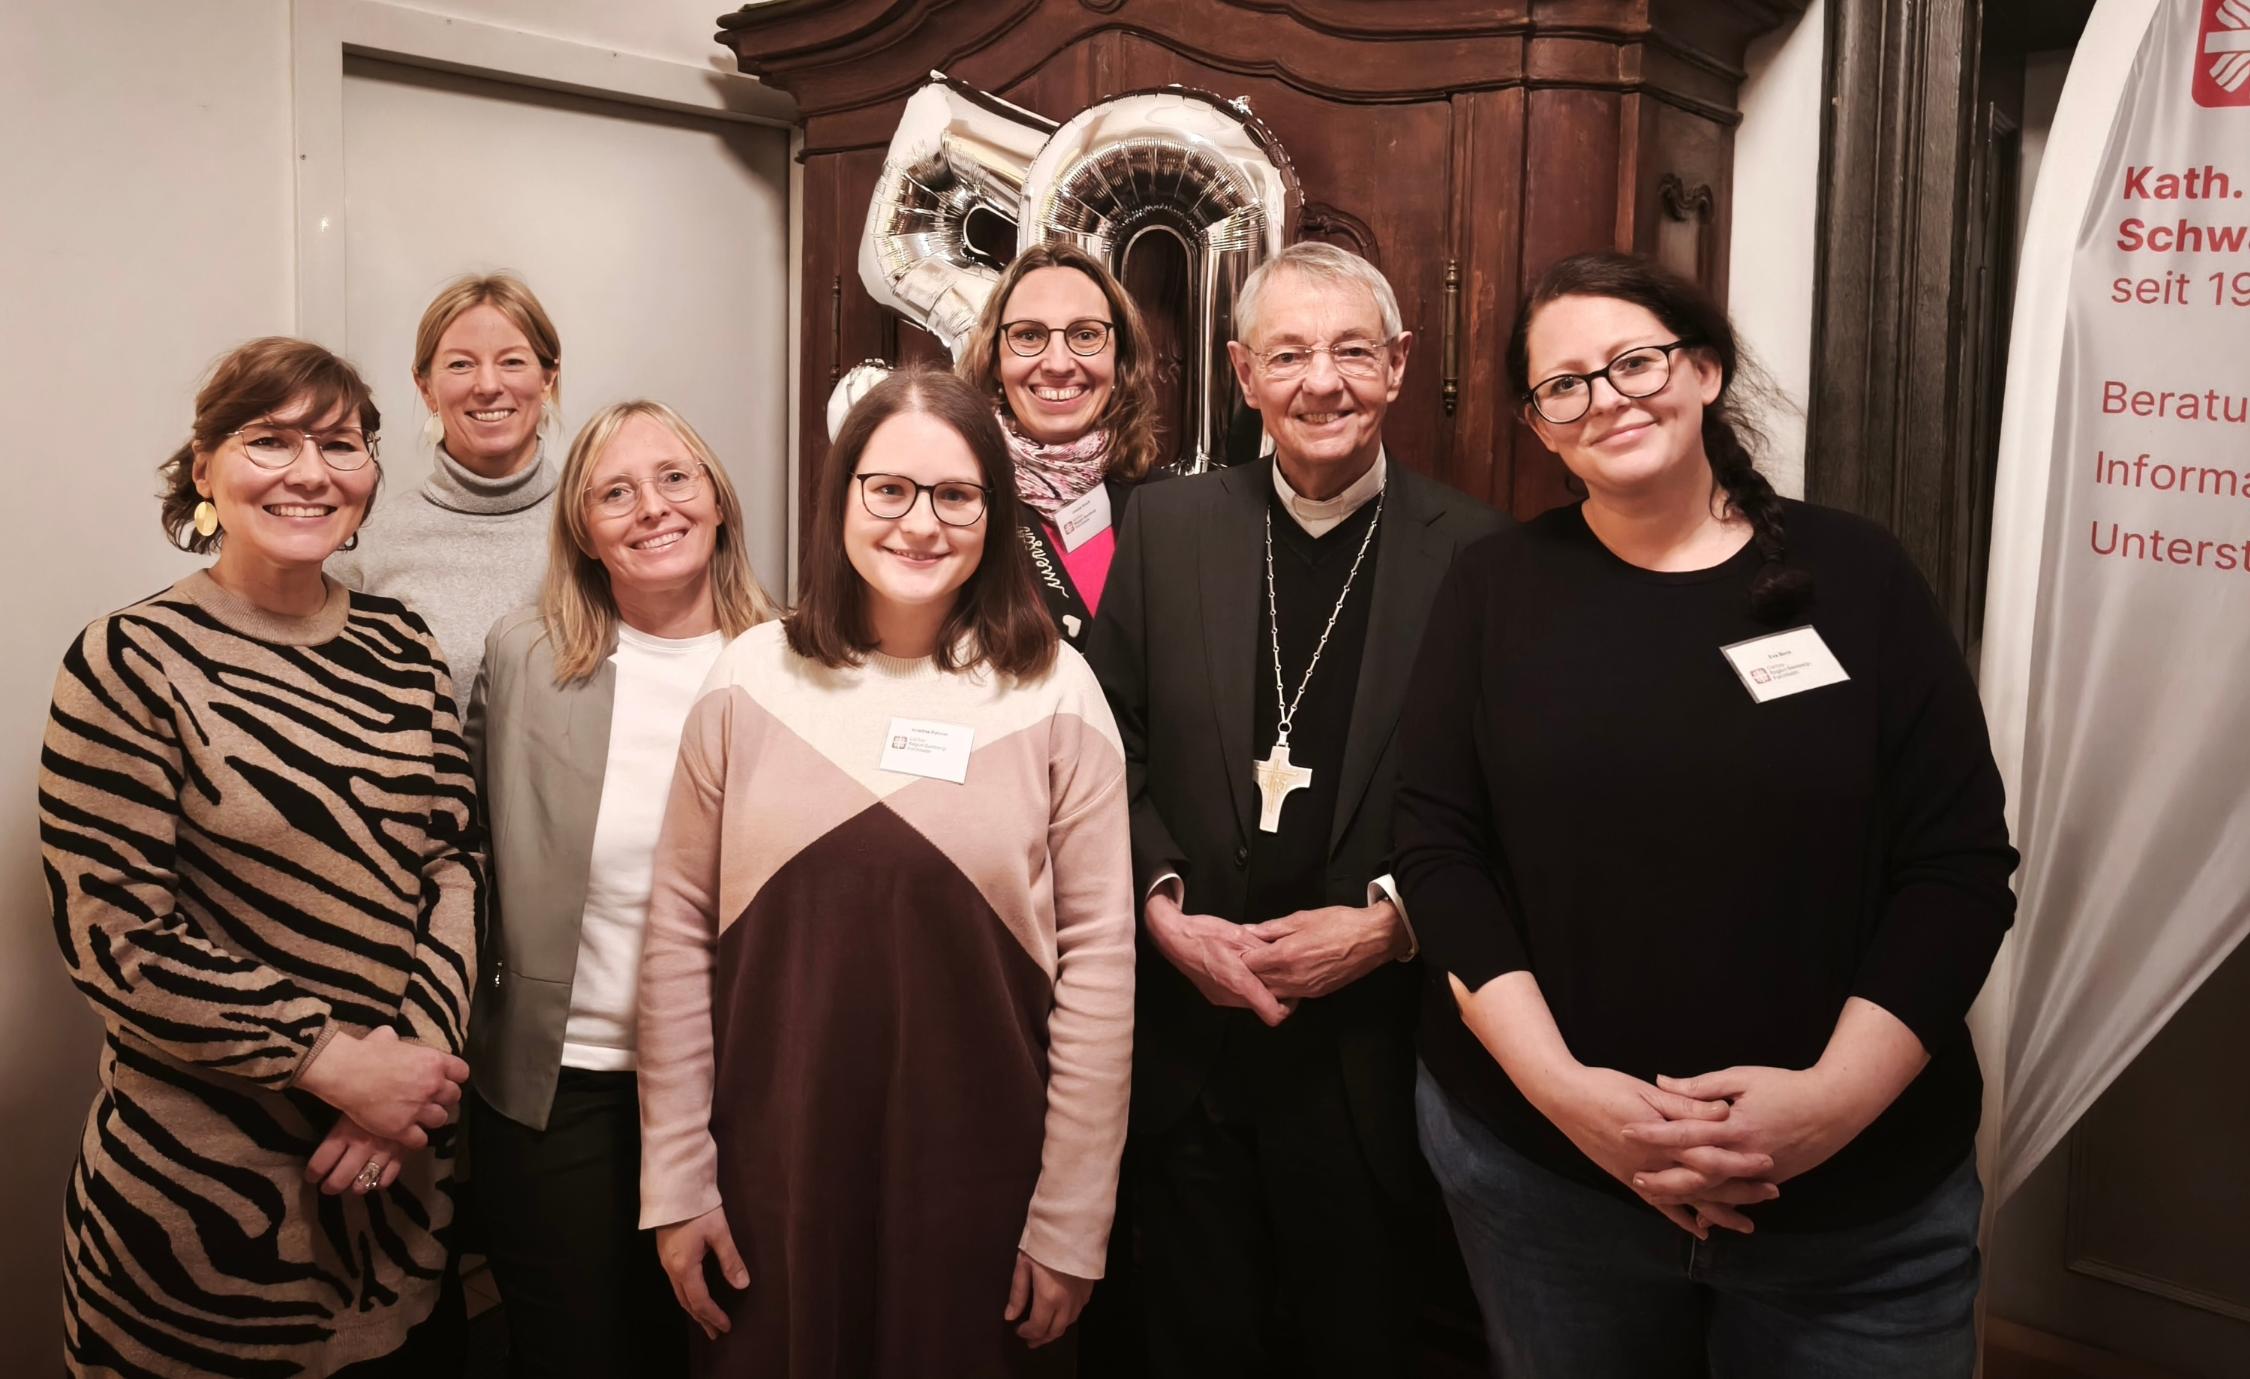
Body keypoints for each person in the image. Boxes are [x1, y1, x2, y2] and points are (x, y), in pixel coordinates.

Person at [1394, 251, 2019, 1378]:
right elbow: (1441, 849)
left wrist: (1827, 1107)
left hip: (1853, 1211)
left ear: (1705, 371)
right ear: (1540, 426)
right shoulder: (1494, 588)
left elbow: (1961, 864)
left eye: (1635, 361)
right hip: (1549, 1183)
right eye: (1565, 384)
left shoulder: (1856, 575)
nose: (1607, 398)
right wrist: (1571, 1099)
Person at [635, 367, 1135, 1376]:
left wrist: (1072, 1216)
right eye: (889, 488)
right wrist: (678, 1175)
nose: (921, 522)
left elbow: (1102, 968)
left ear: (995, 511)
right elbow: (679, 936)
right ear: (842, 498)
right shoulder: (748, 680)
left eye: (956, 494)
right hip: (771, 1177)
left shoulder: (1055, 693)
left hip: (985, 1185)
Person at [1085, 241, 1503, 1376]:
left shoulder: (1478, 555)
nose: (1324, 381)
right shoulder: (1170, 532)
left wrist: (1391, 923)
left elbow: (1504, 793)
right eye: (1291, 353)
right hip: (1189, 1054)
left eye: (1353, 350)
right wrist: (1163, 910)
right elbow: (1102, 746)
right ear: (1244, 373)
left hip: (1371, 1060)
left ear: (1400, 365)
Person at [41, 337, 480, 1377]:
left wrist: (404, 1079)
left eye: (339, 442)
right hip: (201, 1218)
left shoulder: (403, 644)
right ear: (204, 467)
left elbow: (452, 865)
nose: (309, 470)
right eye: (269, 439)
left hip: (399, 1204)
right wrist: (335, 1064)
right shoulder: (128, 659)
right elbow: (114, 935)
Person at [465, 401, 780, 1377]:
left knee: (730, 1347)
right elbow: (464, 853)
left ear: (719, 500)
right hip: (564, 1092)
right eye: (616, 491)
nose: (652, 506)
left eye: (676, 477)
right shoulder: (525, 658)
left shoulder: (794, 663)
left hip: (742, 1090)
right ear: (584, 531)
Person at [333, 272, 564, 695]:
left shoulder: (601, 528)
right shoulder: (367, 544)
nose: (489, 386)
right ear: (425, 388)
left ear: (547, 378)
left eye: (512, 361)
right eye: (461, 364)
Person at [957, 244, 1164, 647]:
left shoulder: (1169, 510)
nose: (1058, 363)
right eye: (1029, 335)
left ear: (1120, 360)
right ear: (994, 359)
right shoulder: (955, 501)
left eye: (1085, 335)